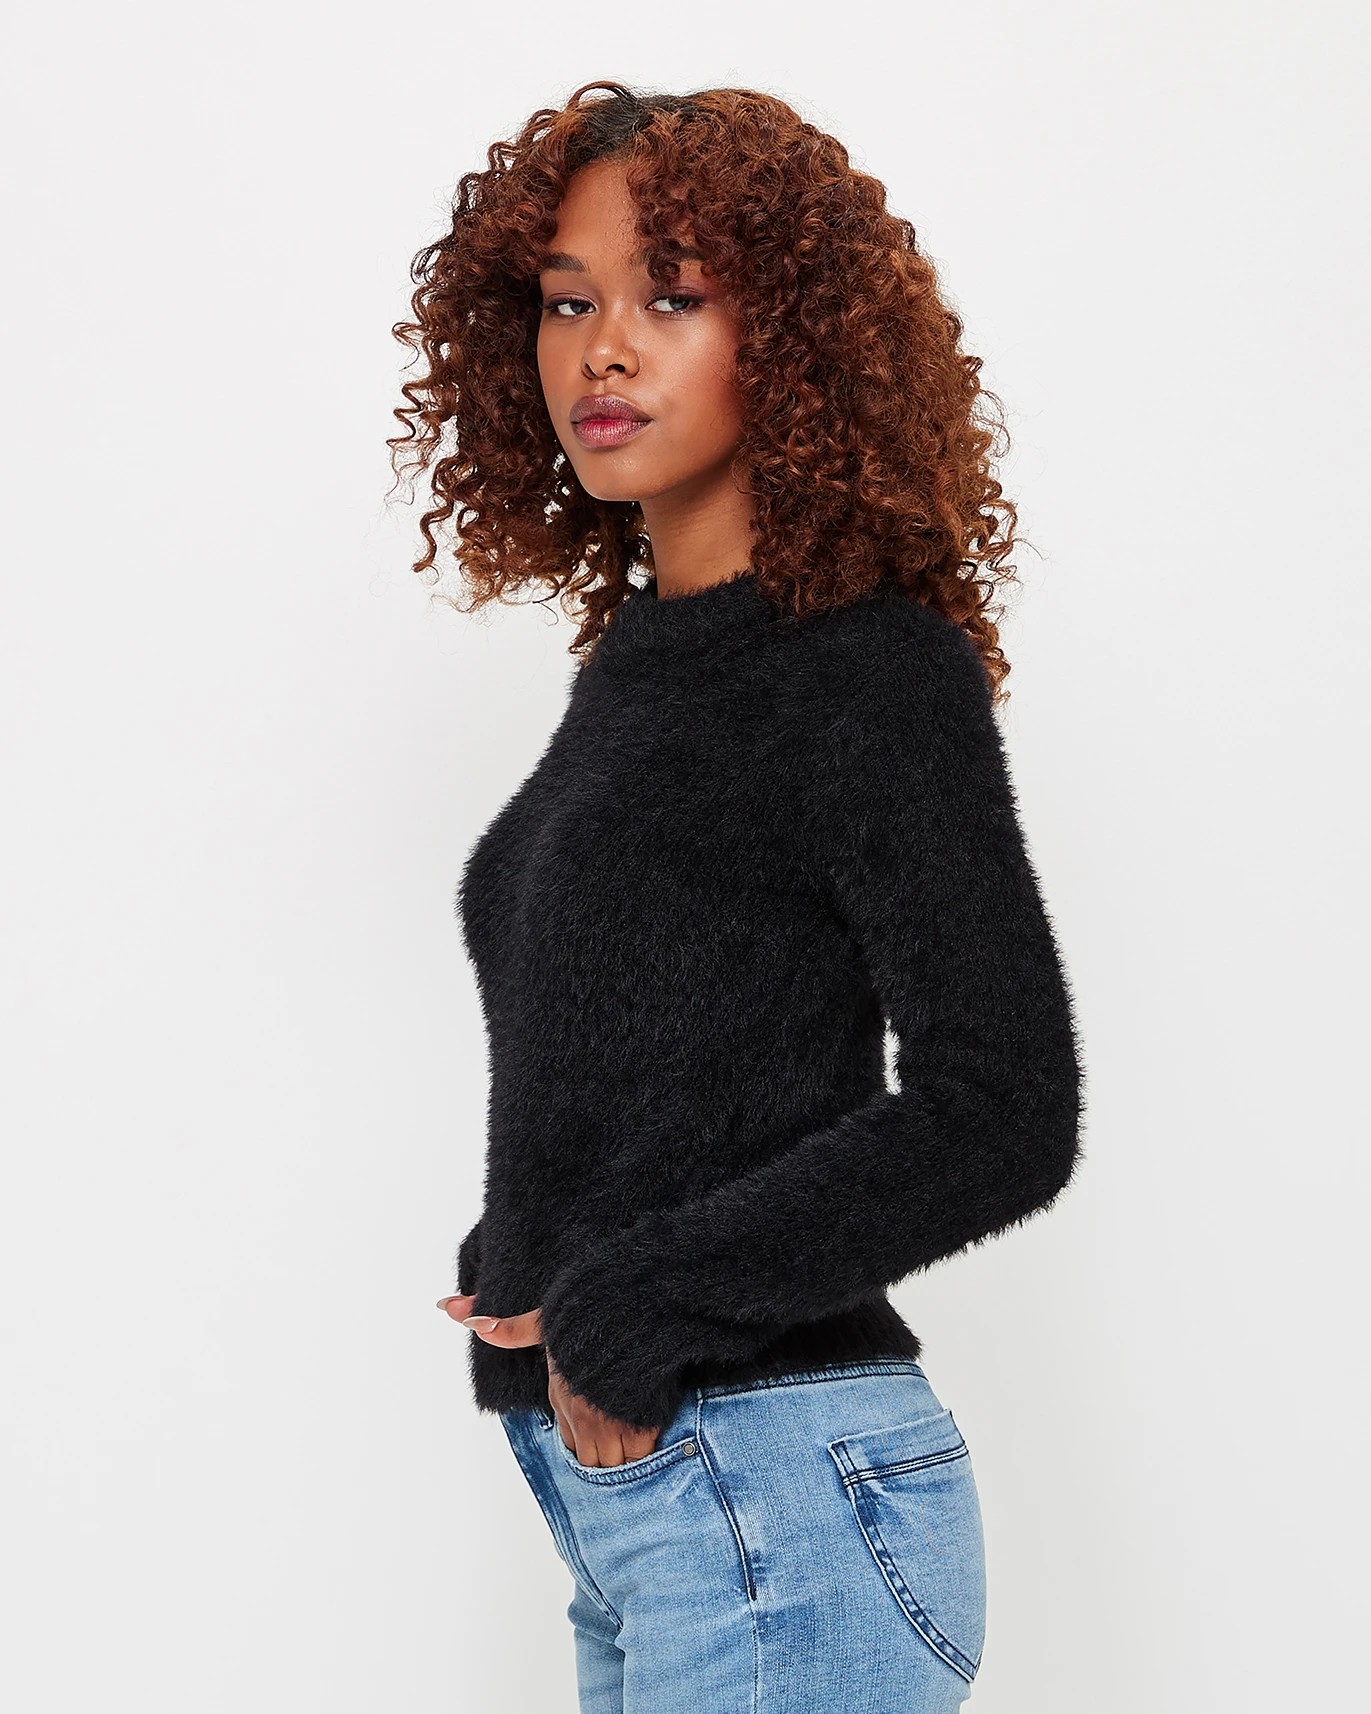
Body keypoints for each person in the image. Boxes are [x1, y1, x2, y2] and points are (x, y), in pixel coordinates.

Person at [391, 79, 1085, 1714]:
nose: (604, 351)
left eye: (673, 296)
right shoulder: (643, 666)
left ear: (797, 339)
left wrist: (639, 1298)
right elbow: (685, 1046)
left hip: (777, 1494)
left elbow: (1004, 1103)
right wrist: (539, 1249)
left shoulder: (869, 671)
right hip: (651, 1506)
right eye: (569, 302)